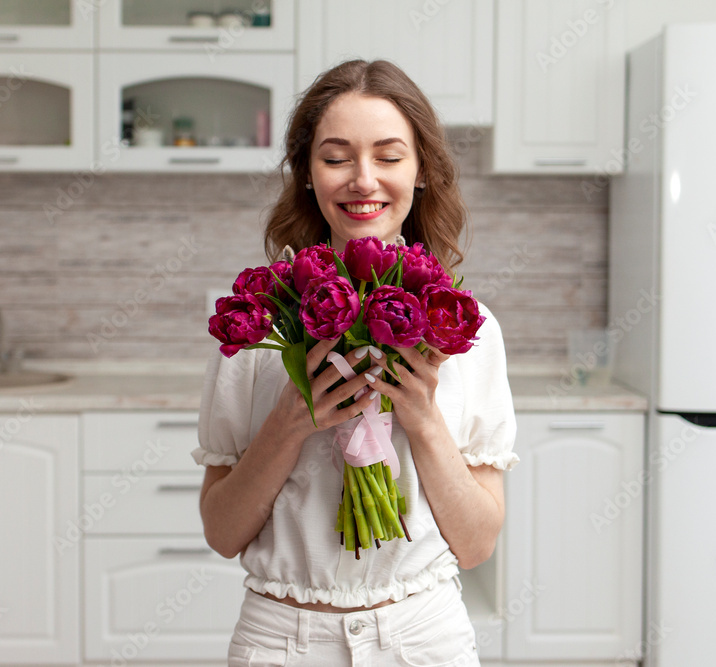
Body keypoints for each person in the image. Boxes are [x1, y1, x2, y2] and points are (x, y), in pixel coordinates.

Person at [193, 59, 518, 666]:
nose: (363, 180)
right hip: (282, 640)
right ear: (307, 174)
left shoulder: (464, 329)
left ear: (422, 170)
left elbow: (476, 546)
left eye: (389, 156)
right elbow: (223, 532)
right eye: (336, 158)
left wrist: (422, 417)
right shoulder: (260, 326)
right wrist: (289, 422)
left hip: (423, 638)